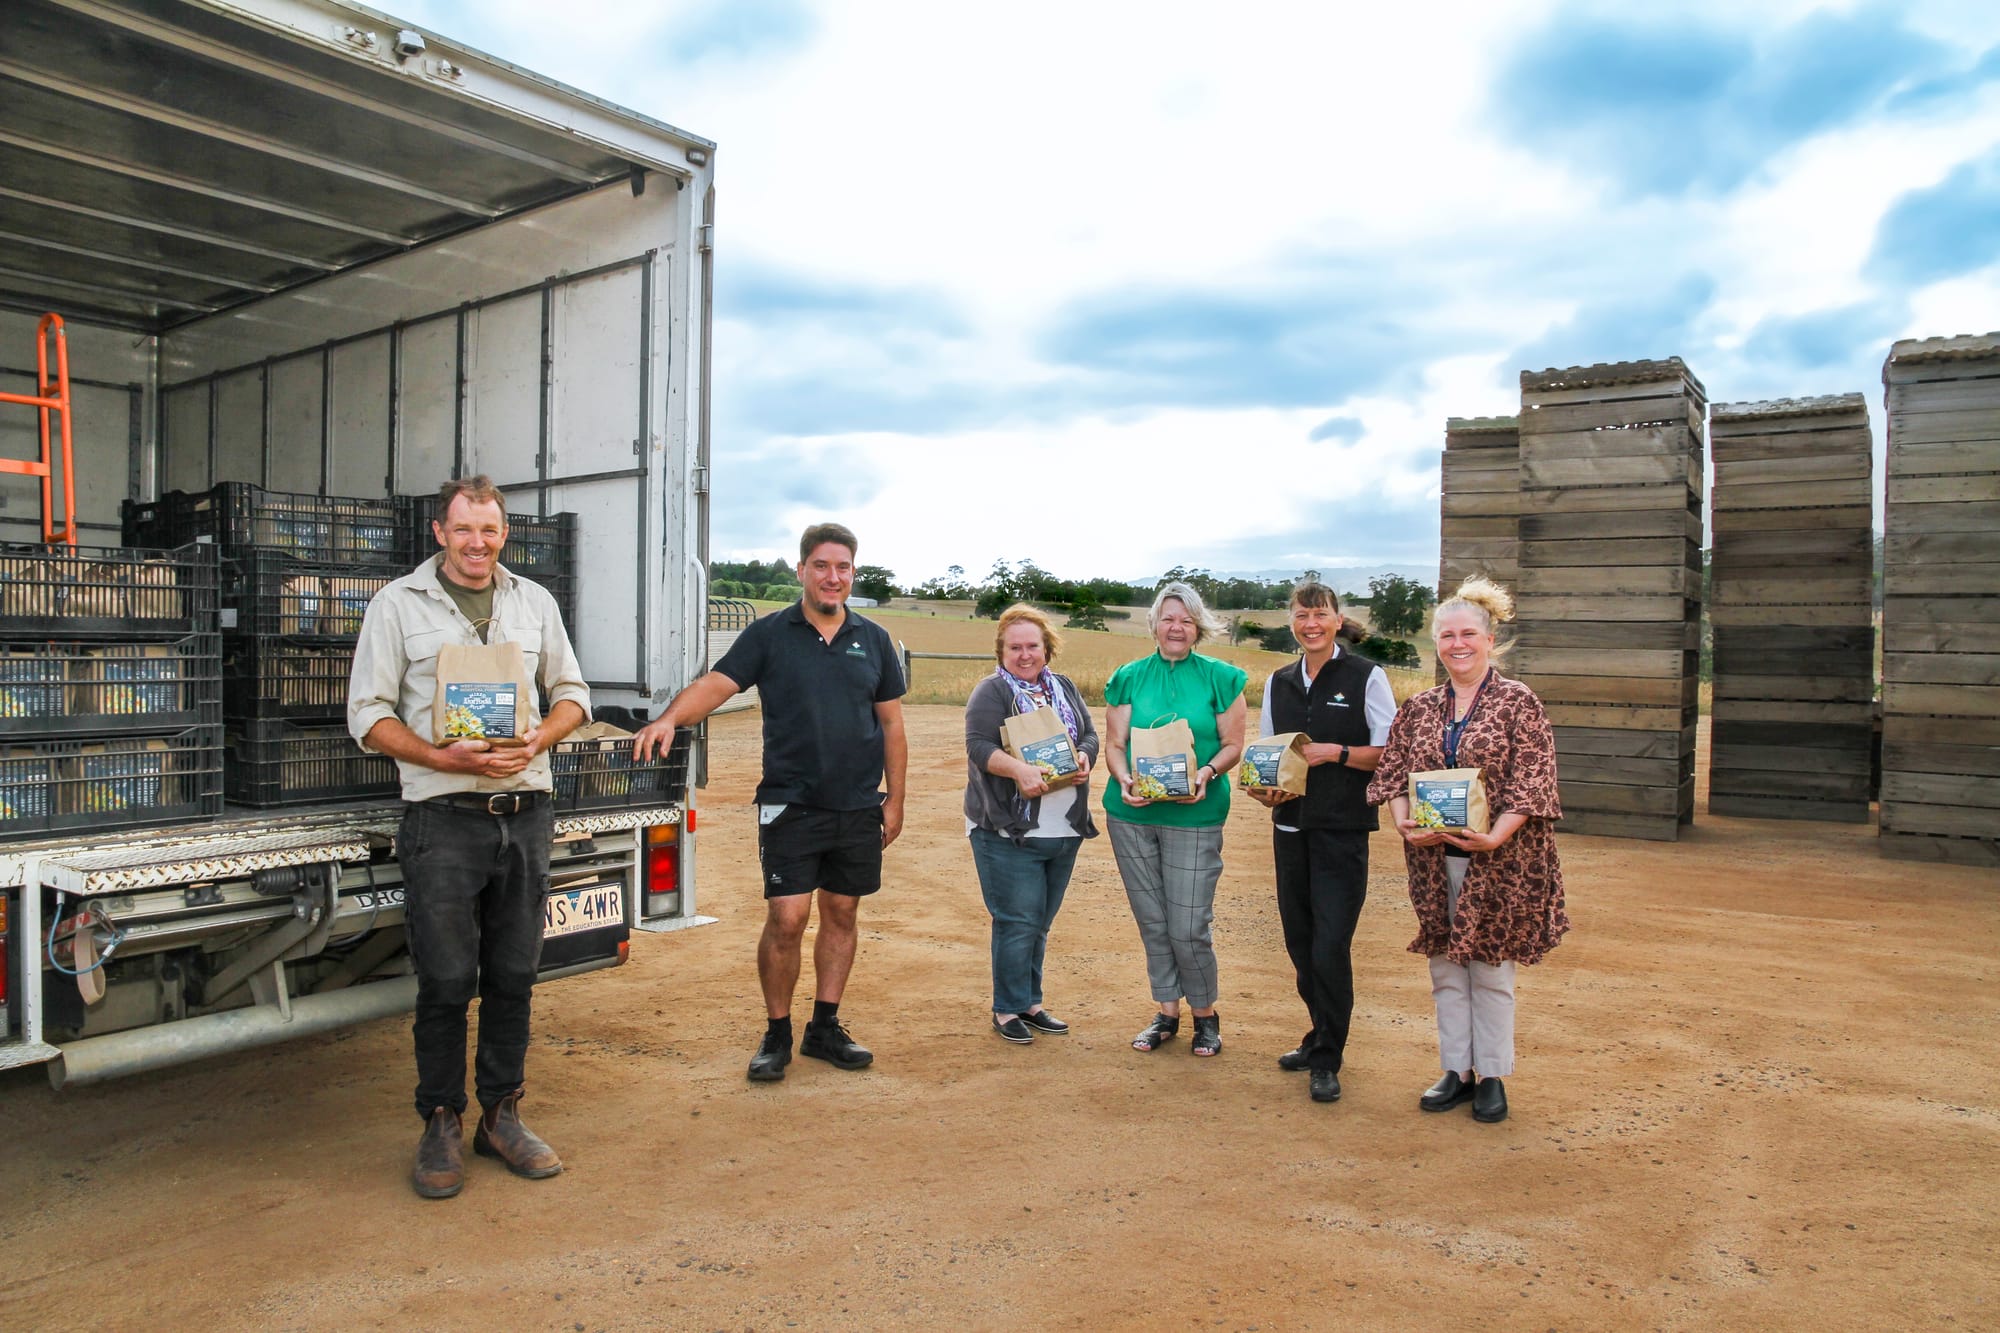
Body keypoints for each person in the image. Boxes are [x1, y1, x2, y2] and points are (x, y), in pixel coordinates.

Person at [348, 475, 590, 1199]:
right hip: (443, 818)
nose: (477, 543)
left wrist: (540, 738)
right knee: (447, 978)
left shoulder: (534, 602)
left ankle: (502, 1115)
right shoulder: (397, 605)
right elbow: (368, 715)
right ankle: (442, 1121)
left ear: (503, 533)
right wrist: (438, 755)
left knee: (514, 971)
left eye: (489, 530)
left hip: (525, 811)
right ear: (439, 534)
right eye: (463, 530)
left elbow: (573, 694)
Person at [631, 523, 906, 1083]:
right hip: (790, 803)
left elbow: (892, 725)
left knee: (843, 912)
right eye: (822, 566)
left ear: (852, 573)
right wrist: (669, 719)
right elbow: (718, 684)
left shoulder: (873, 639)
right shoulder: (770, 634)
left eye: (844, 568)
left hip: (857, 805)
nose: (833, 577)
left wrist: (896, 799)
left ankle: (823, 1028)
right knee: (787, 917)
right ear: (801, 569)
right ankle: (776, 1031)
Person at [1366, 576, 1568, 1125]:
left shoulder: (1517, 701)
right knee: (1446, 967)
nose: (1458, 644)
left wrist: (1495, 836)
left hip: (1501, 859)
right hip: (1433, 861)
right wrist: (1404, 823)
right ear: (1436, 643)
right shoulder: (1422, 707)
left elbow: (1535, 779)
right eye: (1447, 635)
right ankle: (1456, 1069)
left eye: (1468, 634)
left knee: (1491, 968)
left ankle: (1493, 1076)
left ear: (1489, 637)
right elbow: (1393, 776)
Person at [1243, 581, 1397, 1105]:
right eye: (1302, 615)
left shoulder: (1365, 676)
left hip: (1343, 830)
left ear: (1337, 619)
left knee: (1331, 946)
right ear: (1293, 622)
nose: (1311, 623)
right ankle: (1317, 1036)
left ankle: (1328, 1058)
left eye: (1320, 614)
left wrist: (1338, 752)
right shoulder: (1279, 682)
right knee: (1301, 945)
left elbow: (1389, 752)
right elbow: (1268, 753)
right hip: (1290, 829)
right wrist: (1263, 789)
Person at [1101, 581, 1247, 1058]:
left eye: (1185, 619)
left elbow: (1231, 746)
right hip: (1132, 814)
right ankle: (1167, 1011)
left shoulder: (1222, 678)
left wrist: (1205, 773)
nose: (1176, 627)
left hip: (1196, 814)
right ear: (1154, 625)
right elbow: (1115, 745)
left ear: (1197, 625)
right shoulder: (1128, 677)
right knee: (1153, 920)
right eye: (1167, 618)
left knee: (1187, 923)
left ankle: (1205, 1014)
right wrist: (1123, 779)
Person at [963, 604, 1101, 1044]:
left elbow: (1089, 735)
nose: (1025, 655)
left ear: (1047, 648)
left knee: (1039, 922)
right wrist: (1017, 770)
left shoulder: (1063, 687)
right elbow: (978, 746)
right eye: (1015, 647)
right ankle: (1007, 1009)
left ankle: (1030, 1002)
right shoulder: (992, 692)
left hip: (1064, 828)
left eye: (1033, 646)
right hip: (1009, 830)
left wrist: (1085, 757)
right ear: (1001, 651)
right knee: (1017, 920)